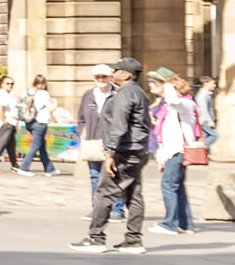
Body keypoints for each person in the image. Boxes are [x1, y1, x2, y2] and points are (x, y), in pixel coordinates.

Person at [71, 58, 151, 253]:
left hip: (124, 150)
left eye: (117, 70)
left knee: (104, 193)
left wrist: (110, 154)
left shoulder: (124, 94)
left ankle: (96, 238)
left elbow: (119, 125)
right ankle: (133, 240)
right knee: (134, 194)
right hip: (138, 148)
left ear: (126, 75)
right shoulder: (138, 92)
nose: (113, 73)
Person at [151, 68, 199, 234]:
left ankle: (170, 223)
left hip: (178, 151)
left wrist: (167, 84)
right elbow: (165, 134)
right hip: (172, 151)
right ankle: (185, 224)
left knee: (169, 186)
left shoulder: (185, 104)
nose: (153, 86)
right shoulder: (170, 108)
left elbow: (173, 100)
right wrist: (161, 156)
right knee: (177, 187)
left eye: (156, 83)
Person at [20, 74, 59, 175]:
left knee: (42, 146)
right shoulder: (44, 94)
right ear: (44, 83)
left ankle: (49, 169)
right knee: (36, 145)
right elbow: (51, 108)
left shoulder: (27, 92)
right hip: (40, 122)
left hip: (29, 121)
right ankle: (24, 168)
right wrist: (55, 103)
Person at [195, 76, 219, 157]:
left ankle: (199, 154)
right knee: (214, 135)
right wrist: (209, 121)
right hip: (205, 119)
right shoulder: (203, 95)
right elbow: (203, 109)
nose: (214, 85)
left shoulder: (206, 94)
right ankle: (200, 151)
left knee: (204, 137)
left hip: (205, 119)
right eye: (212, 83)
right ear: (205, 84)